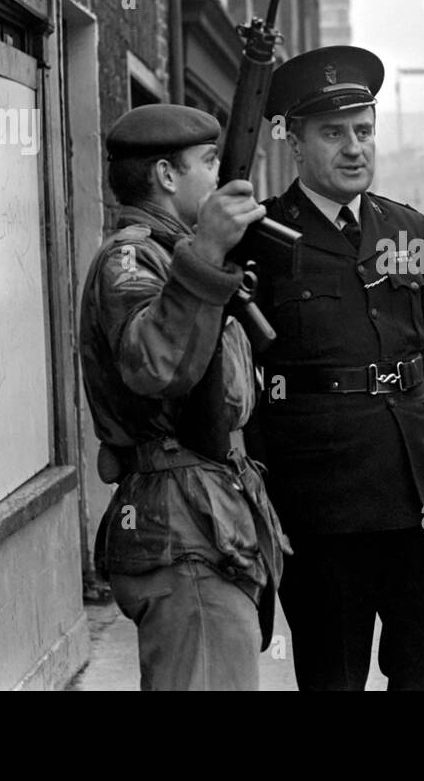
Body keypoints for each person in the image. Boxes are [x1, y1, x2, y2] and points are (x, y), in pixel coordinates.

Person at [250, 45, 424, 691]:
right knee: (333, 675)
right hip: (322, 501)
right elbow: (238, 379)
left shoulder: (407, 227)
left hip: (420, 490)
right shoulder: (260, 235)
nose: (354, 148)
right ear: (295, 140)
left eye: (364, 131)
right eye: (334, 133)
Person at [78, 103, 289, 691]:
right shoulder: (133, 258)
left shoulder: (179, 253)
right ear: (167, 176)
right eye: (208, 162)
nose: (221, 177)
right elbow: (155, 366)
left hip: (204, 514)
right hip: (183, 524)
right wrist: (204, 256)